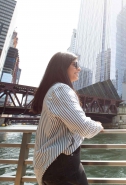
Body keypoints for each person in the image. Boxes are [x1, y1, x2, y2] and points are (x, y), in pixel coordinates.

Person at [31, 52, 103, 185]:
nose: (79, 68)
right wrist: (98, 125)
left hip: (55, 164)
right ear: (61, 67)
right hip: (62, 167)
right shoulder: (61, 90)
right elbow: (84, 127)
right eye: (75, 64)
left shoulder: (54, 90)